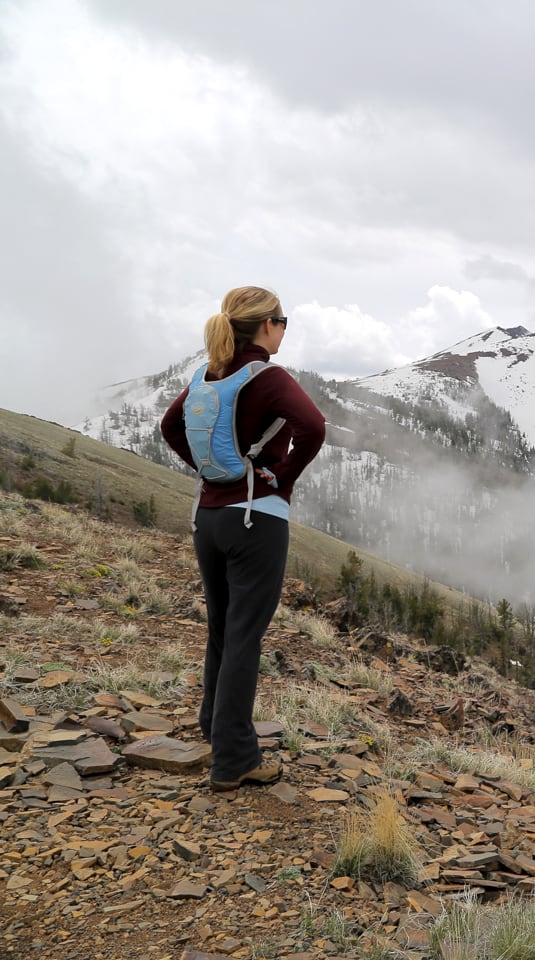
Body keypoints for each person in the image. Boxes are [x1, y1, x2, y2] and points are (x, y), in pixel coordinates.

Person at [161, 286, 326, 791]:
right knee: (244, 636)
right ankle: (233, 759)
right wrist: (280, 477)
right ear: (266, 325)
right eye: (283, 321)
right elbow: (314, 428)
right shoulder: (268, 376)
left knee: (222, 629)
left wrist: (215, 474)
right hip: (256, 519)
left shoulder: (209, 374)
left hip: (208, 519)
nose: (284, 329)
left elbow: (170, 428)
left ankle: (215, 726)